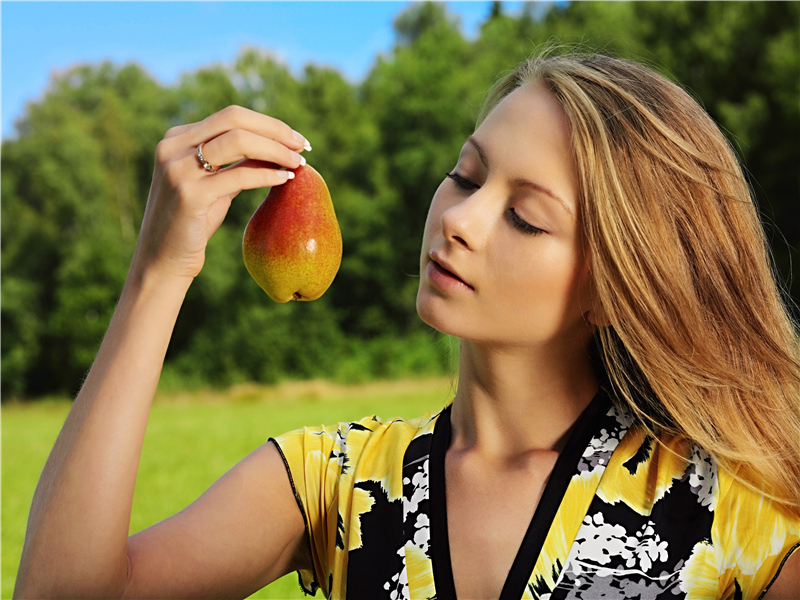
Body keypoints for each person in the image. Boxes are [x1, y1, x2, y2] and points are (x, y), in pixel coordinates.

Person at [14, 52, 800, 600]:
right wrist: (158, 275)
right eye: (465, 174)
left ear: (617, 282)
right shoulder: (336, 482)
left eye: (525, 218)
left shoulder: (737, 500)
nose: (460, 217)